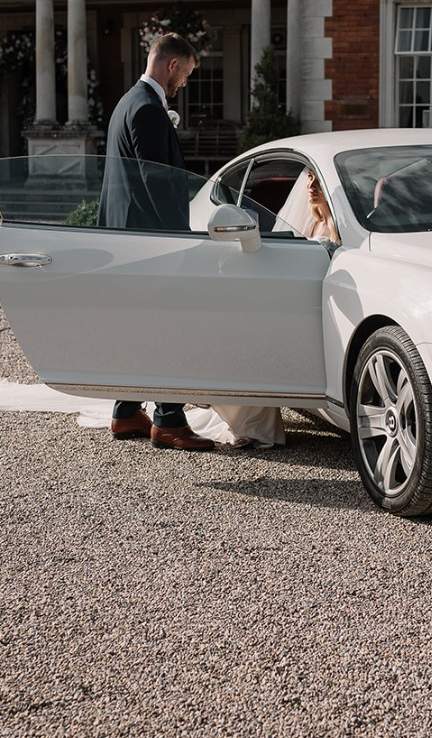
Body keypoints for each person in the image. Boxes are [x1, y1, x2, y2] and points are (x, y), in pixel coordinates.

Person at [98, 32, 214, 452]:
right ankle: (168, 420)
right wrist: (180, 242)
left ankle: (126, 411)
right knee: (169, 326)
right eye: (185, 73)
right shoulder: (147, 109)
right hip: (150, 241)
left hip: (128, 237)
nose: (183, 82)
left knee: (142, 326)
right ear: (171, 65)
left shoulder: (127, 103)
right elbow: (157, 182)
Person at [187, 168, 339, 449]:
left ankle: (252, 421)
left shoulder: (340, 230)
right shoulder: (308, 225)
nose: (312, 187)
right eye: (309, 180)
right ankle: (245, 420)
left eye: (320, 181)